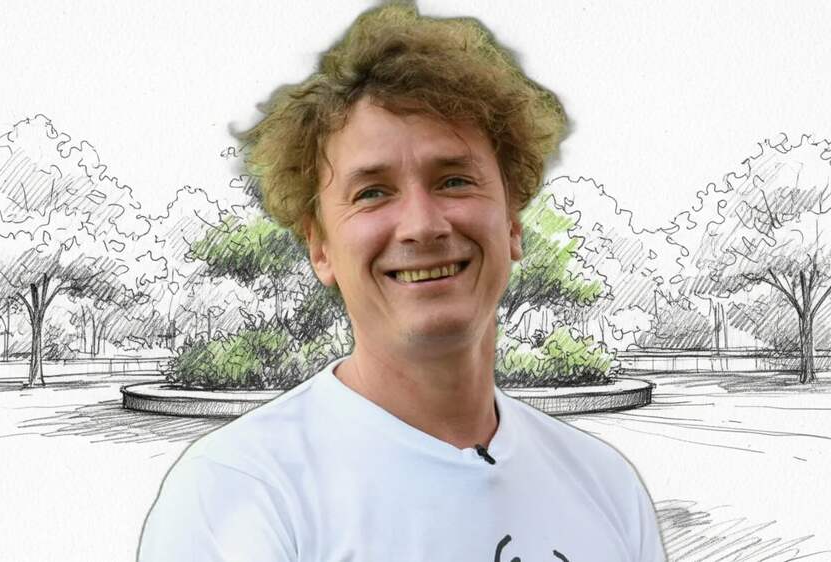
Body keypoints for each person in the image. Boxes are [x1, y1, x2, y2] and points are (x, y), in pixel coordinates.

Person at [138, 3, 666, 560]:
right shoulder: (237, 492)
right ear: (320, 248)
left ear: (512, 223)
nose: (421, 225)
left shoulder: (606, 487)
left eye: (454, 180)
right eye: (372, 193)